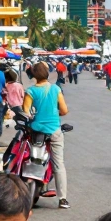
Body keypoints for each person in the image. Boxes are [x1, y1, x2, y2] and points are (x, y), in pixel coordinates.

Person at [24, 61, 70, 210]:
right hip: (54, 130)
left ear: (34, 75)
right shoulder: (56, 89)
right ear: (47, 73)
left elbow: (26, 113)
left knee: (32, 159)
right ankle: (62, 199)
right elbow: (64, 111)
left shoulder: (30, 91)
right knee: (59, 164)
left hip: (36, 131)